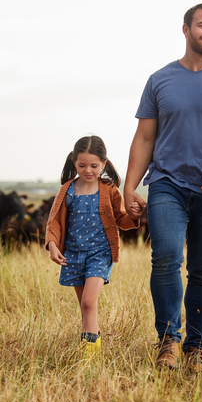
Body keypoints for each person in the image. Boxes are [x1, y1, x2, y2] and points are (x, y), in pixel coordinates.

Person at [124, 3, 202, 373]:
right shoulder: (160, 79)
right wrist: (130, 188)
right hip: (167, 183)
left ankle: (196, 347)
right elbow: (145, 138)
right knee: (165, 258)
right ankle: (167, 341)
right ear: (185, 30)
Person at [45, 136, 142, 361]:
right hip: (73, 254)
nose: (88, 170)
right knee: (85, 306)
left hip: (100, 253)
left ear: (104, 164)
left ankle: (89, 360)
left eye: (94, 166)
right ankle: (89, 350)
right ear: (74, 163)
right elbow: (55, 222)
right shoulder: (66, 190)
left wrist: (134, 216)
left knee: (89, 302)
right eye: (82, 165)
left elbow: (122, 219)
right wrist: (52, 244)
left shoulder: (109, 189)